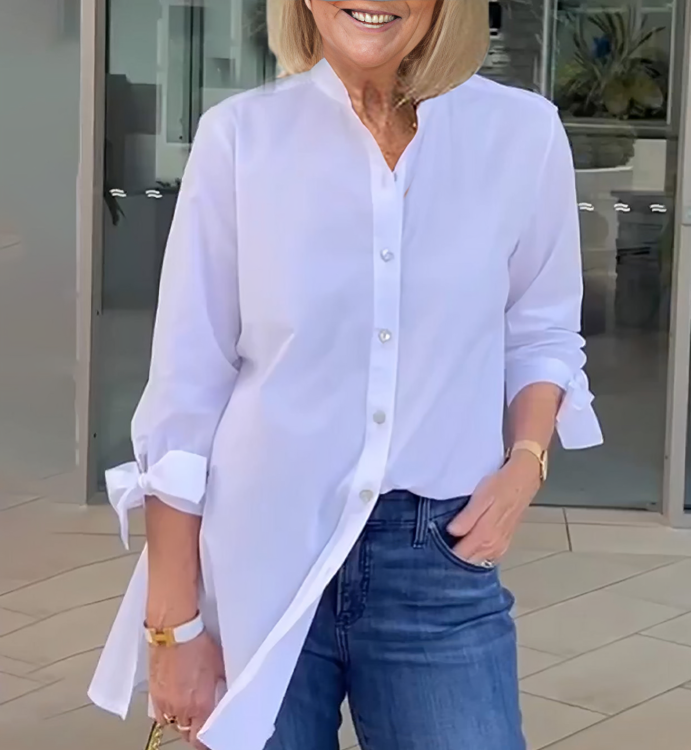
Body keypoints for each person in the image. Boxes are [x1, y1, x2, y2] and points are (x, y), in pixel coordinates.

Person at [89, 2, 603, 749]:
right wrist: (173, 627)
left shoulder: (522, 134)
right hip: (256, 556)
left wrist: (526, 462)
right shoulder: (241, 138)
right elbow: (186, 391)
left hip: (436, 554)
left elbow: (542, 327)